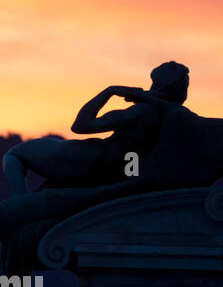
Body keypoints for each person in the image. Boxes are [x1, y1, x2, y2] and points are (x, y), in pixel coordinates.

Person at [2, 61, 190, 193]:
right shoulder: (155, 113)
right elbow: (80, 126)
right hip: (86, 161)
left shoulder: (146, 111)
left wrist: (110, 91)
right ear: (169, 86)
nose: (185, 90)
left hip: (87, 161)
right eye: (184, 85)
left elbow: (81, 125)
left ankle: (20, 200)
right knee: (16, 157)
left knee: (15, 155)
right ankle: (20, 200)